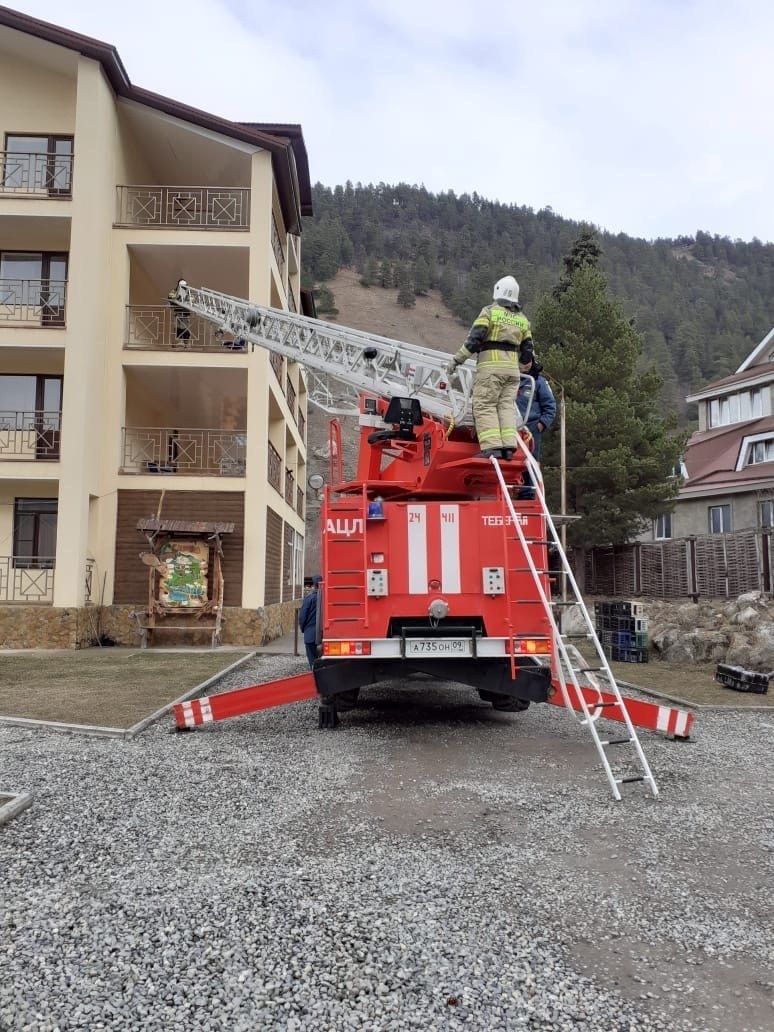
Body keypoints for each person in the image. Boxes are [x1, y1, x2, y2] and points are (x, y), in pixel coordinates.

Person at [446, 275, 534, 460]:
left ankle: (492, 447)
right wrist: (518, 364)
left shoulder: (489, 312)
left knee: (485, 405)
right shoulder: (523, 320)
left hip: (491, 370)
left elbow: (474, 340)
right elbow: (527, 351)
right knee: (506, 406)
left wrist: (456, 360)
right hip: (512, 372)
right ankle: (509, 447)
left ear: (498, 291)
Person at [516, 351, 556, 499]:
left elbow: (550, 405)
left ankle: (527, 492)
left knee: (530, 461)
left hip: (531, 428)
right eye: (522, 360)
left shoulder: (538, 382)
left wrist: (542, 424)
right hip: (510, 427)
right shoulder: (510, 380)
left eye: (529, 360)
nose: (526, 364)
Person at [298, 576, 322, 669]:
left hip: (310, 634)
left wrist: (303, 628)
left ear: (314, 585)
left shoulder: (309, 598)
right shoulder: (327, 598)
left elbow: (302, 616)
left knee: (312, 660)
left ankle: (314, 674)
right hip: (325, 635)